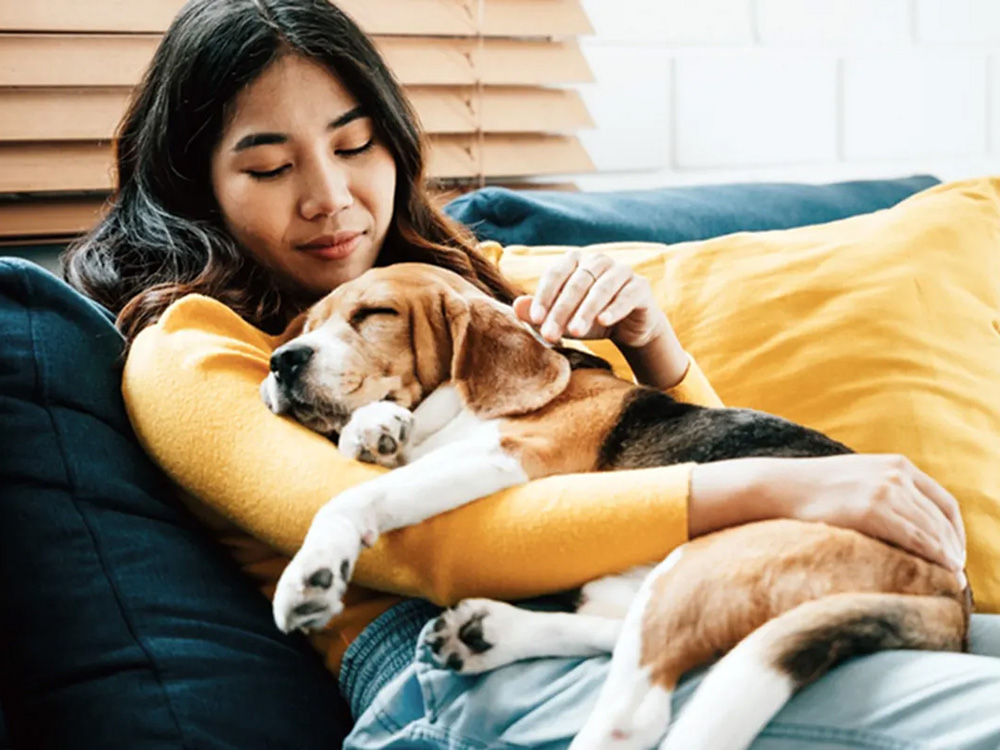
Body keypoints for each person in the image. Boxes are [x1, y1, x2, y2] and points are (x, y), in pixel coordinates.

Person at [62, 1, 1000, 748]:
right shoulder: (193, 347)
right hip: (462, 675)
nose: (331, 196)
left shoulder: (479, 294)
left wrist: (651, 348)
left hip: (643, 608)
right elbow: (425, 548)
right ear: (195, 186)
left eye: (355, 146)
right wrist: (789, 482)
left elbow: (696, 487)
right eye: (268, 166)